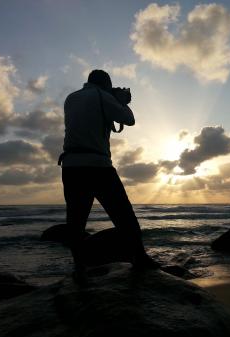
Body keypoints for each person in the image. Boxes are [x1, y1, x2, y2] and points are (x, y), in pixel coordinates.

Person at [59, 69, 159, 280]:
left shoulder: (71, 98)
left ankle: (79, 267)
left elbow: (91, 117)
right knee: (124, 215)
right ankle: (140, 258)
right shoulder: (101, 96)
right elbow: (128, 119)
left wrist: (111, 96)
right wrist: (122, 101)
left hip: (71, 166)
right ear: (106, 83)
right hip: (97, 166)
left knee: (76, 221)